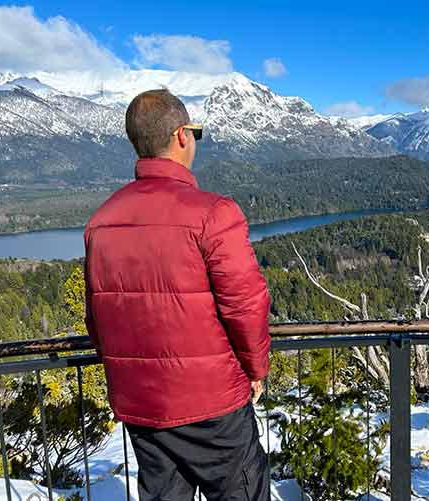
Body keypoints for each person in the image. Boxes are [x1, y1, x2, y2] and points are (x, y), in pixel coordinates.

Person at [83, 89, 272, 500]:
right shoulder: (213, 213)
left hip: (143, 406)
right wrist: (256, 367)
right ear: (183, 136)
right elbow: (245, 303)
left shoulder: (101, 222)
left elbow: (98, 316)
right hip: (213, 405)